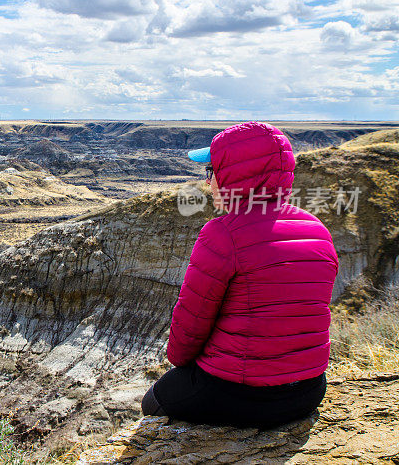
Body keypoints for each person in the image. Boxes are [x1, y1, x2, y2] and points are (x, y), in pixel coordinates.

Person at [141, 121, 339, 429]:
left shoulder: (222, 234)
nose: (208, 183)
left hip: (239, 393)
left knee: (153, 401)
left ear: (235, 176)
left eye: (211, 172)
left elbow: (190, 326)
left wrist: (182, 367)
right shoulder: (318, 230)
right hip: (309, 390)